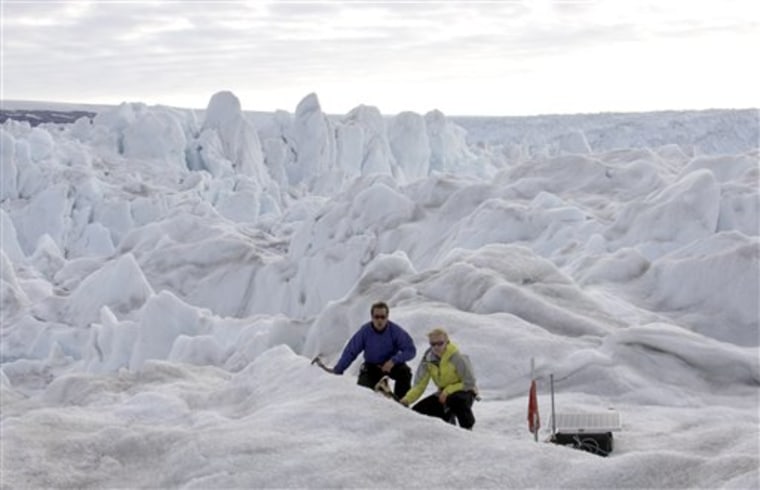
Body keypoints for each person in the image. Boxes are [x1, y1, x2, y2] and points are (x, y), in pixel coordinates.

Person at [331, 301, 416, 399]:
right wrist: (338, 370)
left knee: (405, 373)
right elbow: (351, 351)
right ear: (371, 317)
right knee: (363, 391)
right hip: (371, 366)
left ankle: (401, 402)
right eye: (376, 317)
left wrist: (394, 360)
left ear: (387, 317)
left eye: (382, 317)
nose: (379, 320)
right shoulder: (365, 332)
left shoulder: (395, 331)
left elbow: (411, 350)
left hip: (391, 365)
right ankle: (381, 389)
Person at [400, 327, 478, 430]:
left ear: (447, 342)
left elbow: (470, 382)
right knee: (418, 412)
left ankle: (468, 428)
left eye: (440, 343)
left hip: (465, 391)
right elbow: (420, 385)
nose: (436, 347)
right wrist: (406, 400)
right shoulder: (428, 359)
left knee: (456, 400)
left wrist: (447, 391)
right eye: (433, 344)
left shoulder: (457, 357)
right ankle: (447, 424)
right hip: (442, 394)